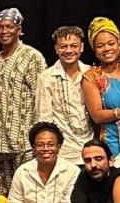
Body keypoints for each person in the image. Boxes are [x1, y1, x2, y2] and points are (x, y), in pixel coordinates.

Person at [0, 8, 45, 193]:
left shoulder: (32, 57)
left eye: (9, 27)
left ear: (19, 29)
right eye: (0, 27)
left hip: (24, 141)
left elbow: (42, 97)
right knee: (5, 191)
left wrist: (39, 133)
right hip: (0, 142)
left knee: (27, 190)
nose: (4, 31)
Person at [80, 18, 120, 168]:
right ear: (95, 50)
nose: (107, 49)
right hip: (112, 144)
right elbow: (97, 115)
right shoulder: (92, 77)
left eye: (111, 43)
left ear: (119, 45)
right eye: (100, 46)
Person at [35, 25, 94, 165]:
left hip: (90, 147)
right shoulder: (46, 77)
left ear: (82, 47)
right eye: (63, 46)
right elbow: (44, 118)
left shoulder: (91, 73)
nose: (69, 51)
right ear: (56, 49)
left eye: (74, 46)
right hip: (63, 152)